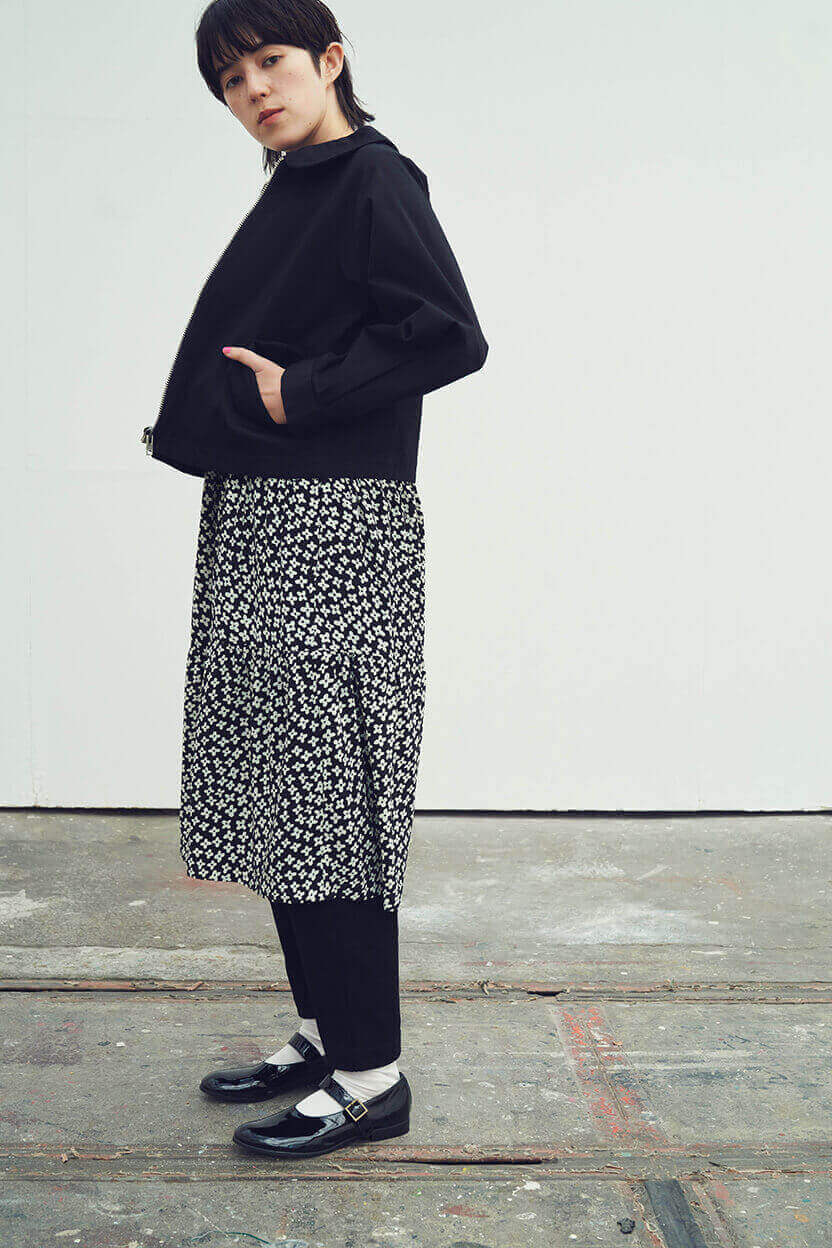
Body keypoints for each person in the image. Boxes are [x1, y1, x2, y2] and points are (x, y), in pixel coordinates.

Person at [142, 0, 488, 1159]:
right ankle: (326, 1035)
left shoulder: (372, 177)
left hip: (333, 527)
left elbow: (449, 333)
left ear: (330, 60)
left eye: (272, 60)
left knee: (330, 801)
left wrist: (305, 391)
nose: (253, 87)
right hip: (266, 514)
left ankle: (372, 1080)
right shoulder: (302, 182)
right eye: (230, 77)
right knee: (286, 794)